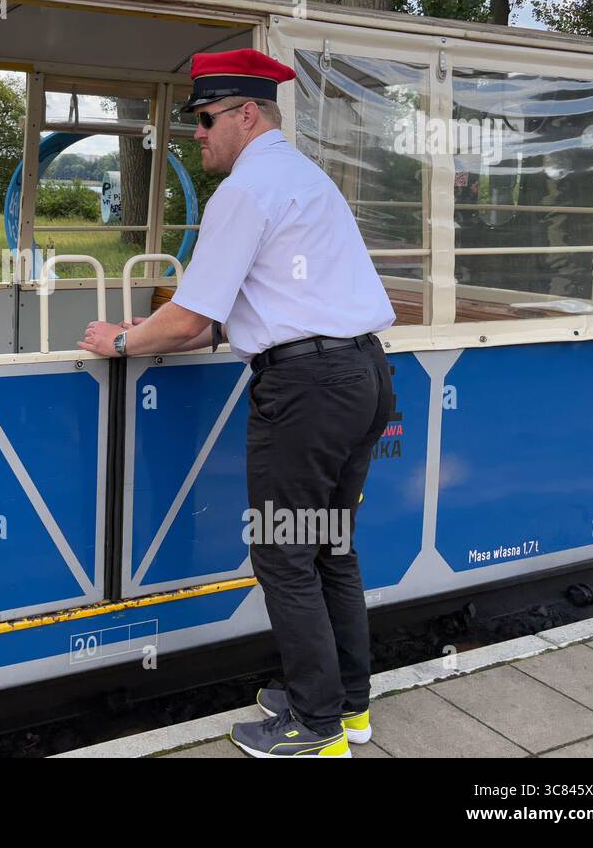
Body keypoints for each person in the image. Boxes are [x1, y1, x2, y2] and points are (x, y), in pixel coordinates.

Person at [78, 48, 396, 758]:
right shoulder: (305, 179)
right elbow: (227, 314)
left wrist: (122, 338)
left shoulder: (247, 191)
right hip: (362, 375)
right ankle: (348, 706)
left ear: (247, 115)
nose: (198, 133)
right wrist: (177, 329)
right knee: (328, 546)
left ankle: (314, 727)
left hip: (308, 390)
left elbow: (188, 319)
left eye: (206, 117)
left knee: (284, 551)